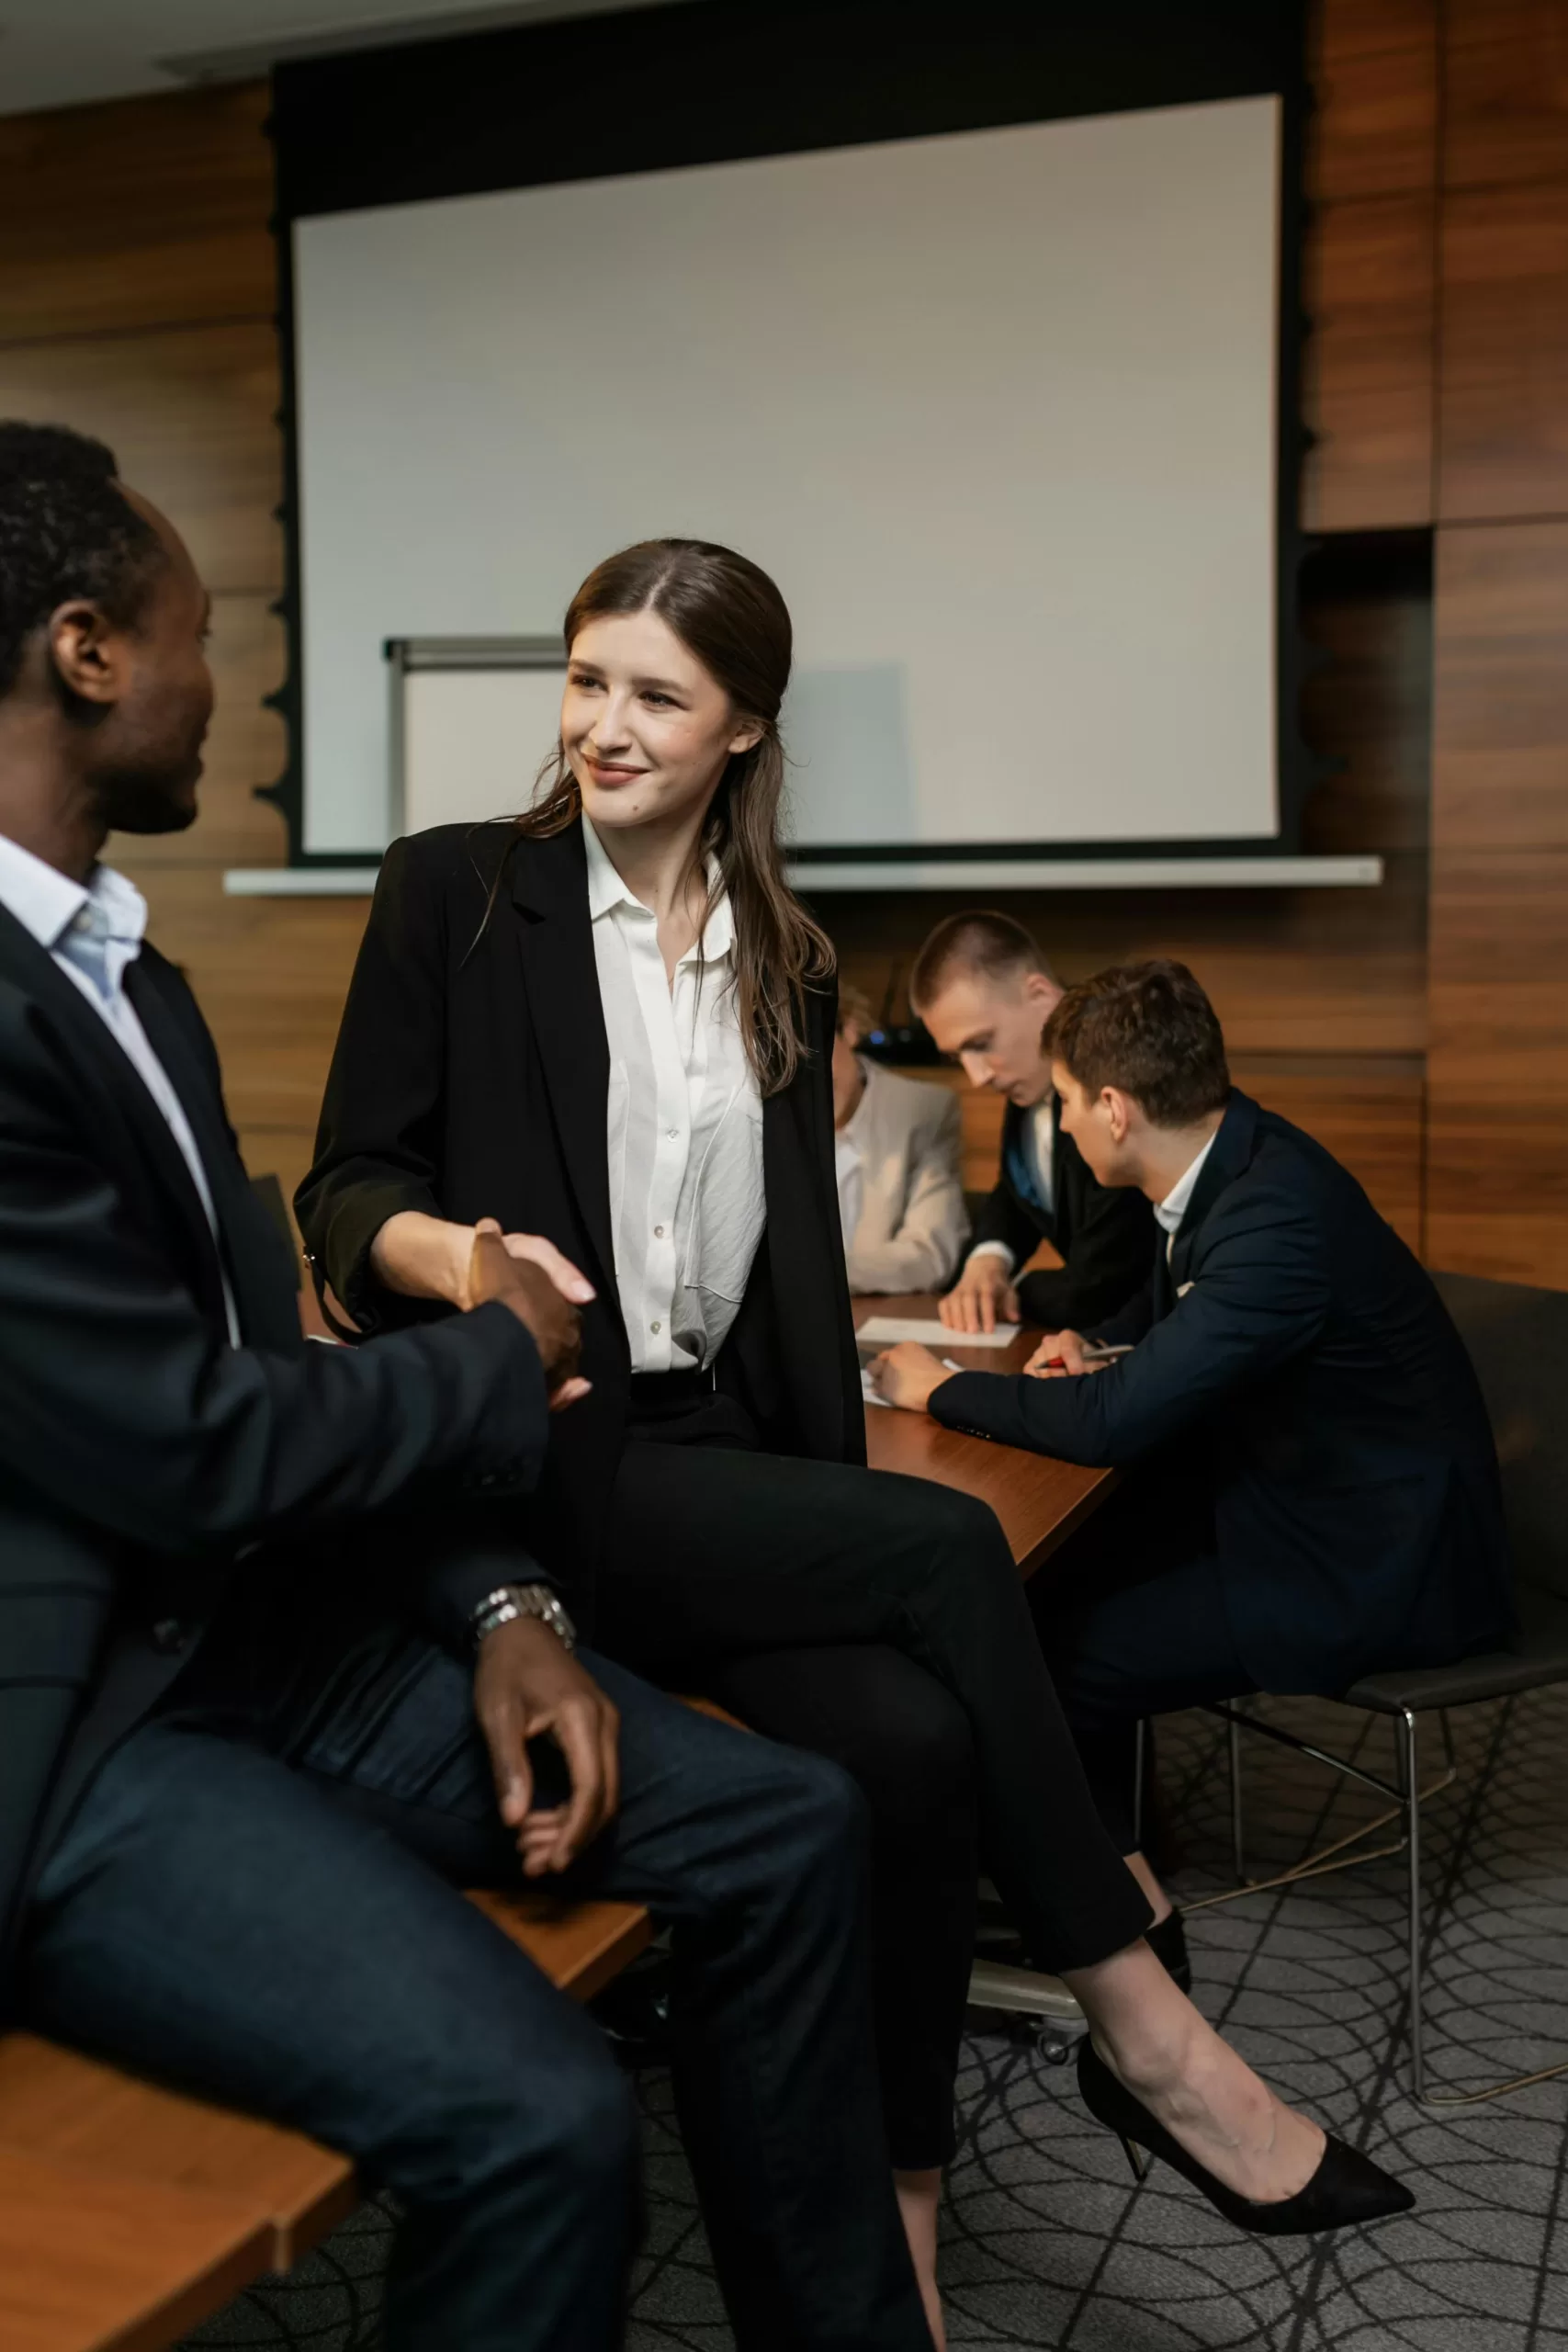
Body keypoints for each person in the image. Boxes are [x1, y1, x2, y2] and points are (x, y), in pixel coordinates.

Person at [300, 539, 1410, 2337]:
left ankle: (900, 2209)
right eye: (585, 680)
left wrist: (839, 1455)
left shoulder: (790, 965)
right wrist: (462, 1261)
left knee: (898, 1747)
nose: (604, 722)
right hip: (545, 1447)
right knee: (950, 1545)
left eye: (655, 692)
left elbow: (789, 1286)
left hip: (722, 1460)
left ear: (743, 725)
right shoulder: (458, 893)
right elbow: (344, 1185)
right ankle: (1149, 2033)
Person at [0, 422, 951, 2352]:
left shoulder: (131, 974)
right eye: (203, 635)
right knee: (544, 2115)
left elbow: (255, 1366)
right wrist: (495, 1343)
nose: (235, 684)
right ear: (90, 651)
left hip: (279, 1622)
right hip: (85, 1724)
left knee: (795, 1825)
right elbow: (198, 1439)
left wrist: (505, 1606)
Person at [872, 958, 1514, 1989]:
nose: (1069, 1124)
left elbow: (1119, 1424)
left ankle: (1127, 1927)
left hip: (1377, 1559)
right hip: (1305, 1492)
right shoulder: (1243, 1158)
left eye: (1074, 1103)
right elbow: (1187, 1328)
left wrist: (934, 1388)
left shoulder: (1274, 1218)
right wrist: (1105, 1342)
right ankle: (1094, 1864)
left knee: (1059, 1654)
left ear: (1117, 1109)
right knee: (1048, 1587)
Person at [909, 911, 1153, 1336]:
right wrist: (989, 1259)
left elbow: (1103, 1284)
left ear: (1039, 993)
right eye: (957, 1057)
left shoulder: (1120, 1079)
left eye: (981, 1044)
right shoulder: (1029, 1075)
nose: (977, 1076)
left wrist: (1015, 1290)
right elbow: (1021, 1187)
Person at [831, 984, 968, 1295]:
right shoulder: (754, 1119)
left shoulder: (923, 1110)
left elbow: (929, 1255)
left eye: (812, 1054)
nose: (807, 1083)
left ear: (849, 1030)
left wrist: (818, 1274)